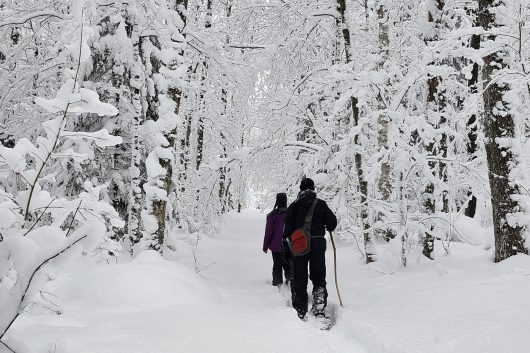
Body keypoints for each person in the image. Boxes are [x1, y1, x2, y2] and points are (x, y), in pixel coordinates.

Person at [283, 178, 337, 319]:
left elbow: (287, 231)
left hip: (300, 245)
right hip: (318, 245)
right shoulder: (321, 204)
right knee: (318, 275)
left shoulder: (294, 206)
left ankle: (300, 308)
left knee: (299, 276)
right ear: (313, 189)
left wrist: (287, 249)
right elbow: (332, 223)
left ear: (300, 189)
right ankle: (319, 306)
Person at [263, 193, 292, 287]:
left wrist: (265, 246)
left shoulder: (272, 215)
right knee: (288, 263)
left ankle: (277, 283)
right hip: (289, 244)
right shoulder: (291, 213)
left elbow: (268, 232)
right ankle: (289, 281)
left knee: (277, 264)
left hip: (275, 245)